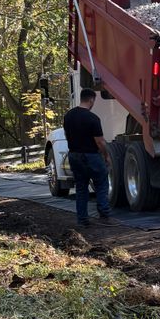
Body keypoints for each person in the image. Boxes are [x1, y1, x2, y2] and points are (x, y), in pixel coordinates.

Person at [63, 89, 111, 227]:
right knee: (101, 183)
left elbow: (67, 135)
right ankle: (104, 215)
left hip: (74, 155)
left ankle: (82, 220)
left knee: (81, 187)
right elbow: (100, 142)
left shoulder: (69, 116)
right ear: (91, 100)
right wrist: (106, 156)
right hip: (91, 155)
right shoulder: (92, 118)